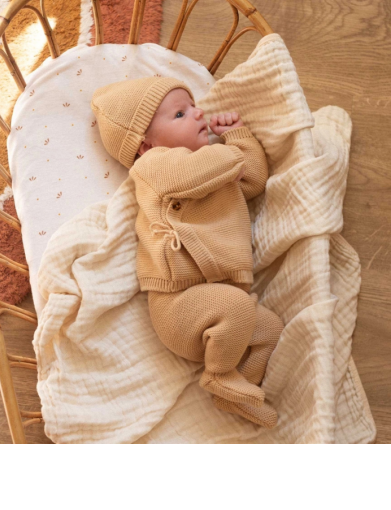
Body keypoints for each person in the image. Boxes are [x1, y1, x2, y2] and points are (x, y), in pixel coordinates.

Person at [91, 76, 283, 429]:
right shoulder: (154, 167)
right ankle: (219, 375)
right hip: (178, 303)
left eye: (193, 106)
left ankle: (240, 391)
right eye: (180, 114)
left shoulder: (214, 168)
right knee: (237, 306)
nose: (198, 113)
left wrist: (238, 136)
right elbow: (198, 172)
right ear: (145, 145)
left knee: (270, 330)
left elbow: (253, 180)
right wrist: (230, 153)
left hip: (220, 311)